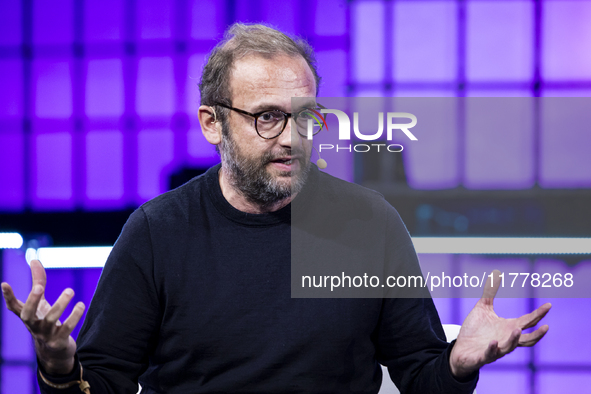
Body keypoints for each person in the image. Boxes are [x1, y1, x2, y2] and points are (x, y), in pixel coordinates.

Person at [1, 23, 551, 394]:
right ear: (212, 123)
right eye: (267, 117)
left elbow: (420, 374)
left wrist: (457, 363)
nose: (292, 138)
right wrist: (58, 364)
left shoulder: (369, 220)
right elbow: (103, 384)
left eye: (306, 115)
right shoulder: (157, 232)